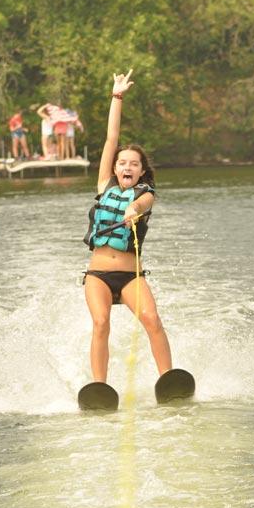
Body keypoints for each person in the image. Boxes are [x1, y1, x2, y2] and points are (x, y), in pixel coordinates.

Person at [82, 70, 172, 383]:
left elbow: (142, 205)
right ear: (115, 169)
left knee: (151, 319)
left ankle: (169, 378)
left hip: (131, 275)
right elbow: (111, 139)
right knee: (101, 323)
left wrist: (133, 209)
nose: (127, 167)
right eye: (123, 163)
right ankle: (99, 386)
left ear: (142, 171)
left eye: (134, 163)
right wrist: (116, 96)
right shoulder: (104, 184)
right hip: (99, 275)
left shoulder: (145, 195)